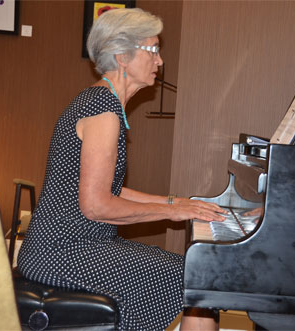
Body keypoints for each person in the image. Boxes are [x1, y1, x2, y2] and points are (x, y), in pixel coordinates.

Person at [17, 8, 225, 331]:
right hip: (62, 252)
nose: (160, 61)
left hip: (73, 246)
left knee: (188, 273)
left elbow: (108, 191)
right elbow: (97, 204)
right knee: (195, 278)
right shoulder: (103, 109)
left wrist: (175, 203)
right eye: (153, 49)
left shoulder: (102, 103)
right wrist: (172, 212)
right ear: (122, 57)